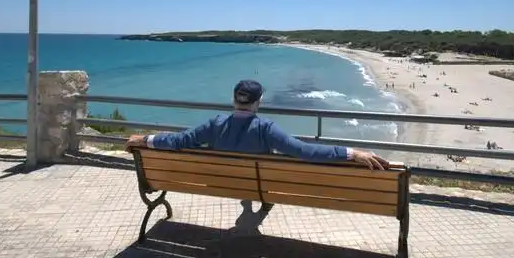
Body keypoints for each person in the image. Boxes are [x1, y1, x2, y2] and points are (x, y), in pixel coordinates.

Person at [126, 79, 389, 170]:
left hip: (221, 182)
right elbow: (306, 152)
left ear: (233, 99)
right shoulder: (266, 128)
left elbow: (177, 141)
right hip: (261, 183)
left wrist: (144, 139)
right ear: (258, 102)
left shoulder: (213, 124)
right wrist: (352, 153)